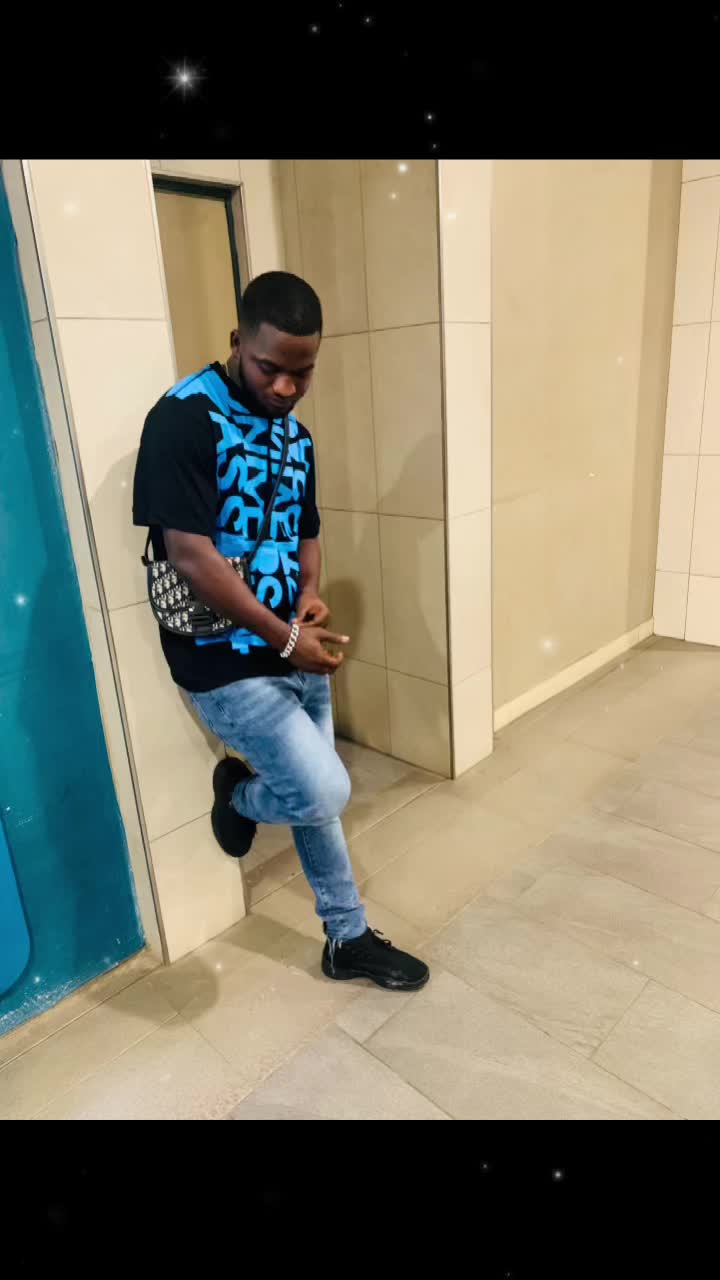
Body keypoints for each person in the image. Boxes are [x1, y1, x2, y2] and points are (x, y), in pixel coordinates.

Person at [133, 271, 429, 992]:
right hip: (221, 657)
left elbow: (306, 529)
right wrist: (286, 639)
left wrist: (310, 595)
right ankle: (238, 795)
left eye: (304, 373)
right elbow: (191, 556)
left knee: (313, 796)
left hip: (290, 642)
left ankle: (346, 938)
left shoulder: (297, 436)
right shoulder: (183, 419)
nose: (287, 388)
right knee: (323, 791)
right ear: (238, 341)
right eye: (271, 368)